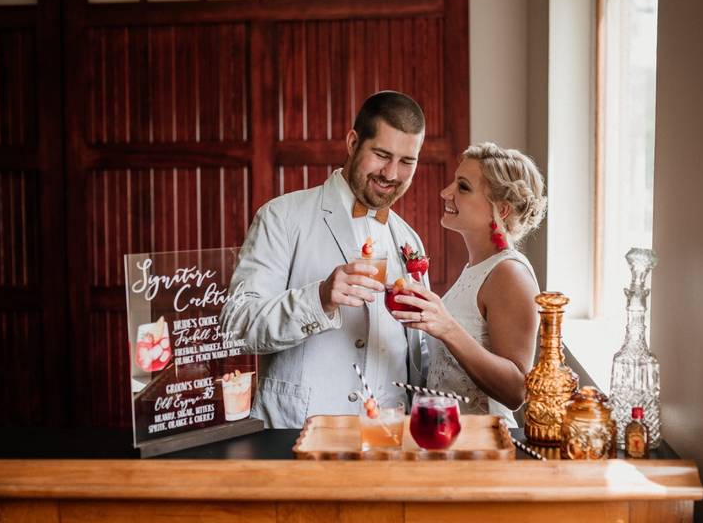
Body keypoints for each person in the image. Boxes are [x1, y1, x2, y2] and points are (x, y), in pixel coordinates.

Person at [221, 91, 429, 428]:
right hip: (298, 433)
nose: (392, 173)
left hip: (387, 440)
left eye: (407, 161)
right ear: (352, 142)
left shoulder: (408, 239)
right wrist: (317, 299)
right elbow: (237, 325)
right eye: (381, 155)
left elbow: (416, 354)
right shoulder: (282, 217)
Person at [391, 142, 546, 428]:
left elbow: (516, 391)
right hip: (448, 438)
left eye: (462, 187)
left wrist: (447, 326)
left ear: (501, 209)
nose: (445, 192)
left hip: (483, 445)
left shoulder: (509, 274)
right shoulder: (478, 267)